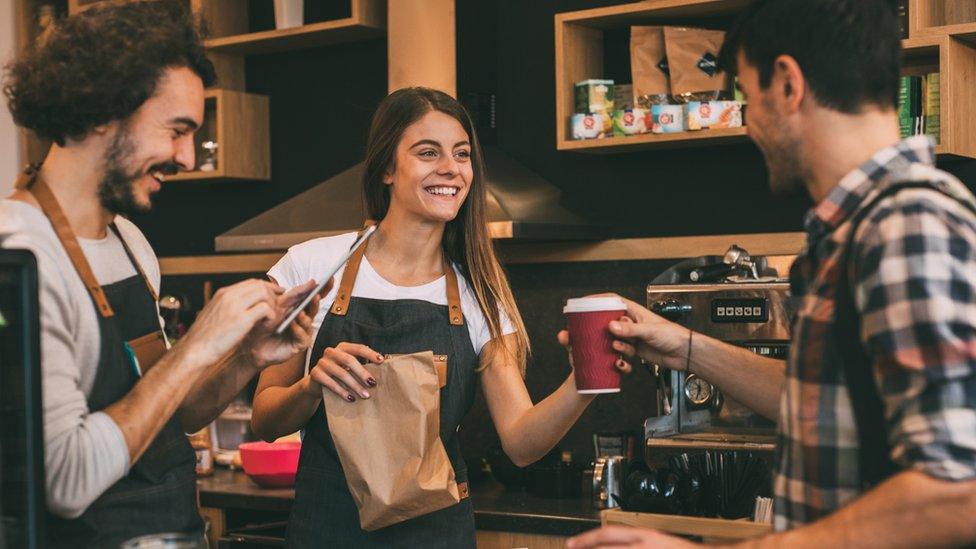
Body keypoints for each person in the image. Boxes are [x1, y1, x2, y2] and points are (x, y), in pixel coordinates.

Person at [566, 0, 976, 547]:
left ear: (787, 84)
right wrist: (681, 347)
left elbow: (956, 493)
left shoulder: (904, 226)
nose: (747, 123)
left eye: (746, 98)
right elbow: (825, 405)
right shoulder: (861, 231)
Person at [0, 2, 324, 546]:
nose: (188, 157)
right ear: (104, 110)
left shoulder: (131, 243)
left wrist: (246, 357)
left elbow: (166, 414)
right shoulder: (19, 254)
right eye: (177, 130)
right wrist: (197, 345)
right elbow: (67, 480)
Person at [251, 87, 630, 547]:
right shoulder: (312, 267)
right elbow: (265, 421)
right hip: (327, 528)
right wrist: (312, 385)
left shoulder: (480, 294)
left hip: (435, 534)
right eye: (428, 152)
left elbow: (521, 443)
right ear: (387, 168)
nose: (451, 168)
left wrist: (584, 381)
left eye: (462, 154)